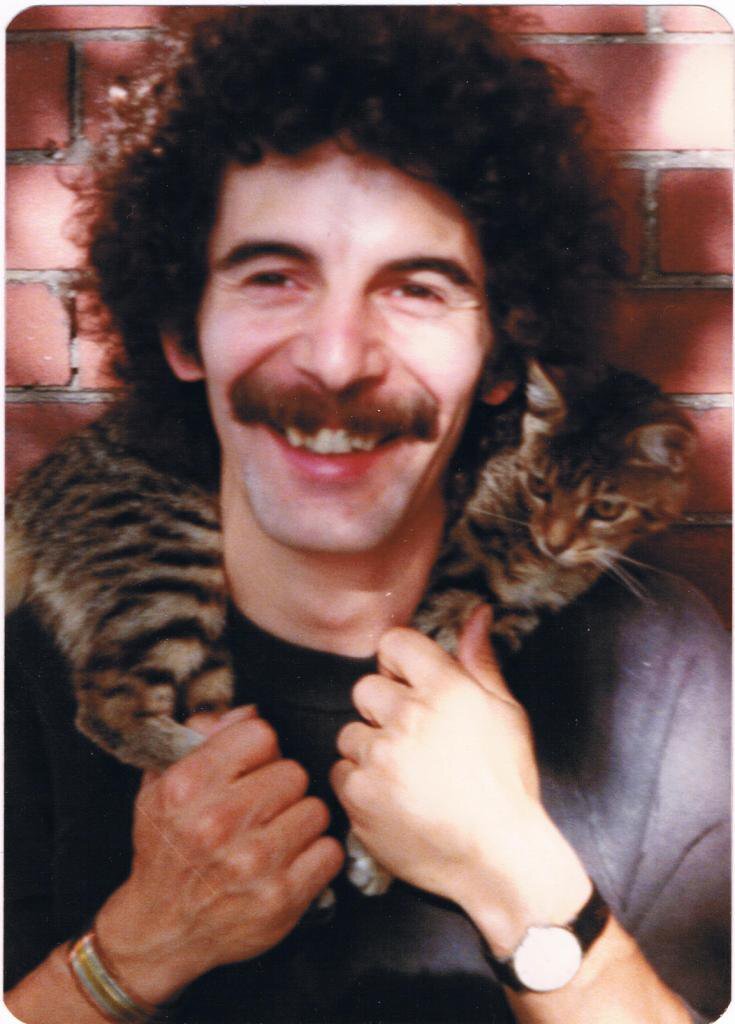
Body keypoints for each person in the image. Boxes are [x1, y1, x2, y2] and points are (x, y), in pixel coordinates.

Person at [5, 8, 729, 1024]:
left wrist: (515, 875)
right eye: (274, 277)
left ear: (499, 361)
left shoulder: (662, 673)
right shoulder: (34, 657)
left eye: (417, 289)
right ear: (182, 331)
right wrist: (139, 948)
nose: (338, 360)